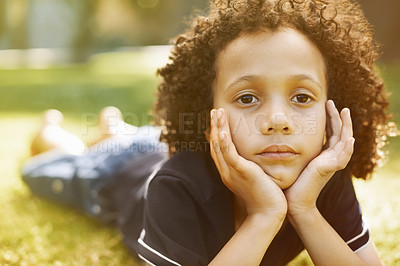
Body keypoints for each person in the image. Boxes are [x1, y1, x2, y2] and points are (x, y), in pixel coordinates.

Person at [21, 0, 391, 265]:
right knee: (49, 162)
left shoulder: (323, 175)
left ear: (332, 112)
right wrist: (264, 215)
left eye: (301, 96)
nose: (278, 120)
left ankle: (113, 127)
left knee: (131, 137)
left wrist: (304, 209)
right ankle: (59, 131)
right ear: (207, 113)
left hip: (156, 143)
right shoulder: (176, 186)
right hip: (119, 172)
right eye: (247, 98)